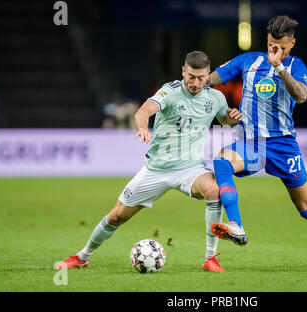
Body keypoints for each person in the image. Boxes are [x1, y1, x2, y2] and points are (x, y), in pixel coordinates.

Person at [56, 51, 242, 273]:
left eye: (201, 78)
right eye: (191, 76)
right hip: (156, 170)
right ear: (183, 71)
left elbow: (222, 119)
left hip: (190, 169)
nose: (195, 82)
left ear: (207, 75)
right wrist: (143, 128)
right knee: (116, 217)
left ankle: (210, 258)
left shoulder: (216, 98)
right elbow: (144, 111)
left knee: (214, 190)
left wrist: (230, 119)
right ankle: (82, 257)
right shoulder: (169, 92)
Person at [206, 16, 307, 267]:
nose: (273, 50)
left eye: (279, 46)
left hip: (283, 145)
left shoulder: (296, 66)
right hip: (251, 142)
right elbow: (212, 79)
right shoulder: (248, 60)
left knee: (306, 208)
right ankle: (236, 224)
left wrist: (279, 67)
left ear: (292, 43)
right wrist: (192, 84)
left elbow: (301, 96)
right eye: (270, 44)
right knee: (222, 163)